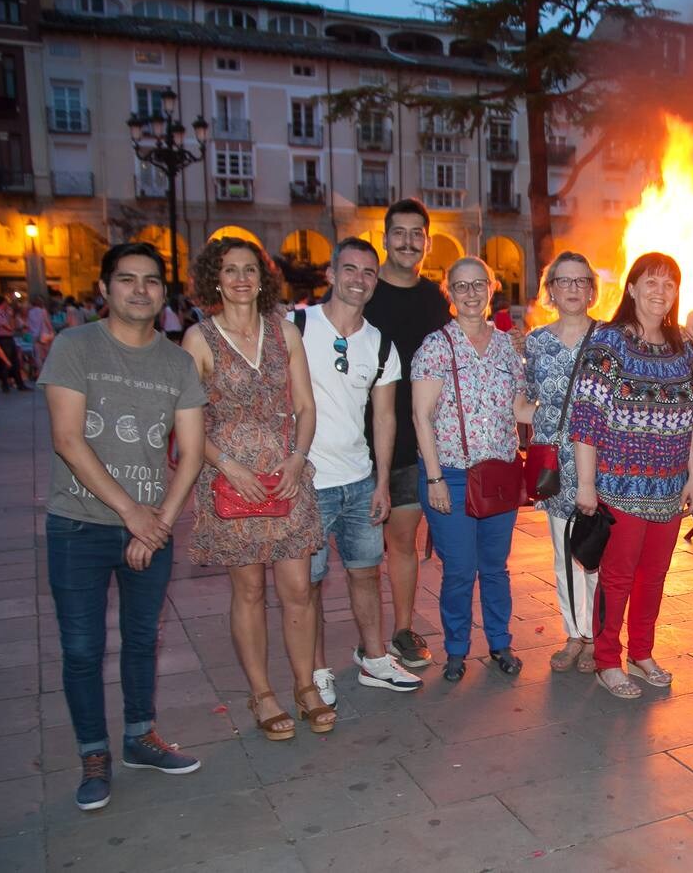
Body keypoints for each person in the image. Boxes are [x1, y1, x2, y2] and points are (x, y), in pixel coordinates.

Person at [38, 242, 208, 811]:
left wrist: (158, 521)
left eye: (152, 281)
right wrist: (131, 512)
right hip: (78, 527)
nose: (141, 290)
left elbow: (190, 450)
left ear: (165, 291)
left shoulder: (177, 361)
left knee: (142, 640)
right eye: (128, 279)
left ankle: (140, 737)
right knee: (83, 648)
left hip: (151, 531)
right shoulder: (75, 346)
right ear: (106, 288)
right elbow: (68, 439)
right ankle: (94, 753)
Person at [182, 238, 332, 740]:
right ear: (214, 279)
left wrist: (297, 457)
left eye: (250, 269)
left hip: (286, 479)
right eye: (230, 270)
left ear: (263, 277)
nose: (241, 278)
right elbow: (186, 422)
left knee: (298, 590)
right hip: (232, 484)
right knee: (247, 590)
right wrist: (227, 466)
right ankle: (262, 692)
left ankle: (305, 685)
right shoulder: (198, 340)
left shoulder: (284, 332)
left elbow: (307, 407)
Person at [570, 252, 693, 700]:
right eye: (651, 282)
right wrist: (586, 485)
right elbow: (585, 418)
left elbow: (691, 416)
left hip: (668, 487)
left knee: (656, 575)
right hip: (619, 486)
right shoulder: (609, 343)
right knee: (617, 577)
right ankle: (607, 658)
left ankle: (642, 653)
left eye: (669, 284)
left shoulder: (682, 346)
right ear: (631, 288)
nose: (660, 291)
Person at [298, 238, 422, 700]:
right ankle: (315, 671)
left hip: (358, 479)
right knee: (307, 582)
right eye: (349, 269)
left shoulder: (380, 344)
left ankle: (373, 658)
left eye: (368, 272)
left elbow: (385, 417)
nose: (359, 279)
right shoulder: (296, 326)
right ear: (331, 274)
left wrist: (382, 482)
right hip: (307, 483)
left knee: (366, 571)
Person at [411, 257, 525, 682]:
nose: (471, 293)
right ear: (449, 292)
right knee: (459, 569)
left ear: (492, 287)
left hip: (499, 472)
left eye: (479, 284)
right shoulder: (436, 346)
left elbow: (518, 408)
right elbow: (421, 416)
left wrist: (557, 408)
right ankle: (456, 648)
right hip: (453, 477)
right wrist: (435, 477)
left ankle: (500, 642)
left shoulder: (506, 346)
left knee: (495, 567)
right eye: (461, 286)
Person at [363, 198, 452, 671]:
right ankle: (368, 639)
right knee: (358, 552)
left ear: (427, 241)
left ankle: (400, 629)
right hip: (357, 441)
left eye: (416, 233)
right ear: (384, 238)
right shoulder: (364, 293)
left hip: (413, 442)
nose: (407, 241)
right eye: (399, 232)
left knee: (402, 542)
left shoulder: (436, 299)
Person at [520, 251, 602, 673]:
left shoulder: (610, 338)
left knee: (597, 550)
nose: (571, 289)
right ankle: (573, 634)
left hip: (602, 464)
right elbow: (524, 399)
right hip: (555, 465)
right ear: (550, 290)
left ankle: (597, 636)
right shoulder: (537, 341)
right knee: (563, 552)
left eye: (580, 281)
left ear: (591, 289)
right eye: (563, 281)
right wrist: (545, 426)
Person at [0, 296, 29, 391]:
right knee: (5, 362)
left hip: (9, 338)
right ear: (2, 303)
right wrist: (10, 318)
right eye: (6, 302)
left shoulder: (4, 313)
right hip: (2, 339)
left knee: (15, 361)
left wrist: (11, 316)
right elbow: (8, 327)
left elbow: (12, 326)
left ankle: (19, 384)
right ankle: (5, 384)